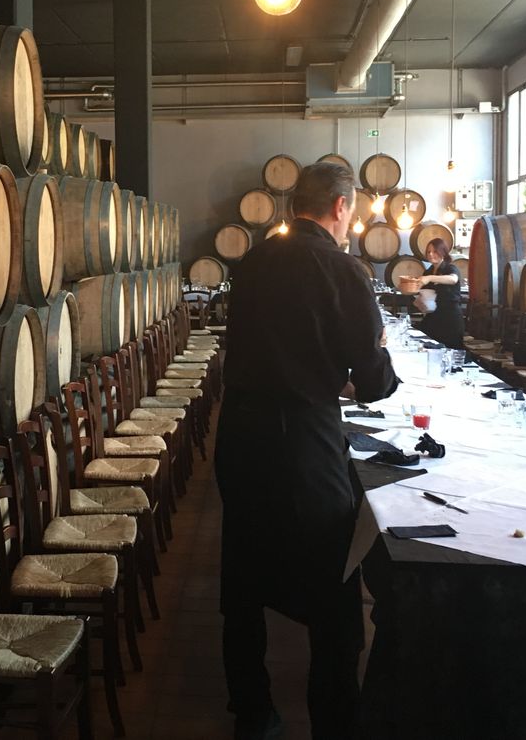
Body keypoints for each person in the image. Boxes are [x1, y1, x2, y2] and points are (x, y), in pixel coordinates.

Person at [215, 162, 399, 740]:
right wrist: (361, 366)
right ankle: (334, 722)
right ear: (341, 207)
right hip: (303, 444)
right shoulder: (342, 269)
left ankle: (252, 713)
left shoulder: (252, 262)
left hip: (240, 436)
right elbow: (374, 381)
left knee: (243, 580)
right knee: (333, 591)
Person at [400, 237, 464, 349]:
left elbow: (453, 279)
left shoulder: (450, 268)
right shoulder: (428, 271)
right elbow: (422, 293)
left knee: (449, 350)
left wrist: (430, 278)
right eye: (428, 251)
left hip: (450, 318)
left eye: (435, 251)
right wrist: (410, 290)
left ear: (443, 252)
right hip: (433, 316)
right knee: (427, 346)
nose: (430, 254)